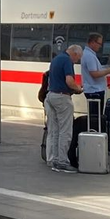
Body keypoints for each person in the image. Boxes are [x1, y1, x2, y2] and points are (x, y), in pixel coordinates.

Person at [44, 44, 84, 173]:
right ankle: (62, 161)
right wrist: (78, 88)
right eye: (77, 58)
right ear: (74, 53)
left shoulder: (56, 59)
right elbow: (69, 81)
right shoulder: (67, 61)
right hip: (62, 98)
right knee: (65, 131)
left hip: (50, 96)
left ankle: (54, 160)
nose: (76, 61)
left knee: (54, 131)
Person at [80, 32, 108, 132]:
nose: (100, 46)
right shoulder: (89, 56)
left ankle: (94, 135)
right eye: (99, 43)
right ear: (92, 42)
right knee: (96, 119)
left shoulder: (89, 55)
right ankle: (94, 136)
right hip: (94, 91)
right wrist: (108, 71)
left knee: (95, 117)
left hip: (93, 90)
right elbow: (94, 74)